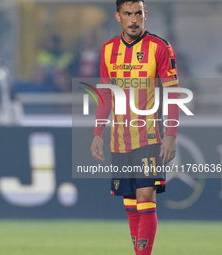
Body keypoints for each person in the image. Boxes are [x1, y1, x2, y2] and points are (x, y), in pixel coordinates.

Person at [90, 1, 180, 254]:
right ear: (118, 16)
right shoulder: (108, 49)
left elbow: (173, 93)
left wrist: (171, 134)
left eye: (138, 14)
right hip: (119, 140)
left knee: (144, 197)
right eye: (127, 14)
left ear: (145, 15)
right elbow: (105, 95)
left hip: (149, 136)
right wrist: (97, 132)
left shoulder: (160, 47)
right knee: (130, 203)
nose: (133, 20)